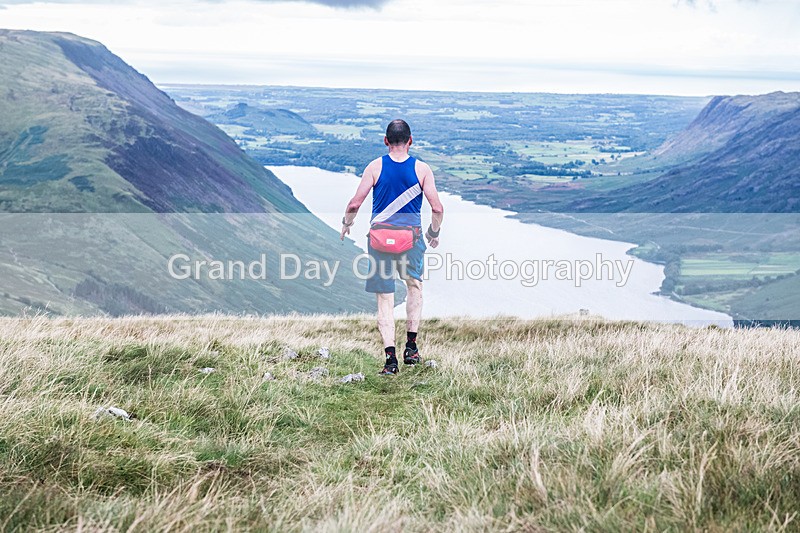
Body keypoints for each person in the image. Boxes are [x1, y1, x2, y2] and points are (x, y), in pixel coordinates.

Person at [340, 119, 444, 375]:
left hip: (379, 242)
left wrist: (347, 223)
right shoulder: (422, 169)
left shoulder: (375, 167)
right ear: (410, 141)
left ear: (386, 141)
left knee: (385, 301)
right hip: (412, 240)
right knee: (414, 288)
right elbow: (438, 208)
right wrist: (433, 231)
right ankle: (411, 348)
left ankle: (390, 361)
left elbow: (354, 204)